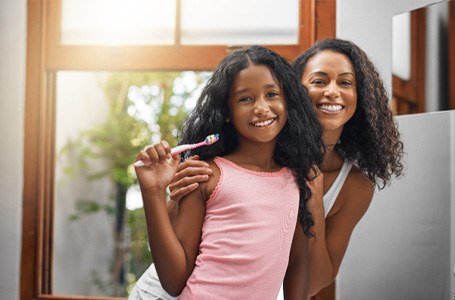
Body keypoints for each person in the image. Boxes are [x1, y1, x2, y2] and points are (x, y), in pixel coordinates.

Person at [168, 38, 404, 298]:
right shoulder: (258, 144)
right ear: (293, 90)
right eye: (319, 80)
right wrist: (170, 196)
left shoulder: (354, 184)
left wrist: (312, 203)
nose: (333, 91)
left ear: (362, 96)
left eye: (345, 82)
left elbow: (316, 281)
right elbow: (180, 233)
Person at [129, 45, 324, 299]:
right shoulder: (207, 175)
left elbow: (297, 263)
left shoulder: (297, 179)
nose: (261, 107)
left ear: (288, 101)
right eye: (246, 98)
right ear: (228, 113)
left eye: (272, 94)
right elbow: (174, 281)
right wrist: (153, 192)